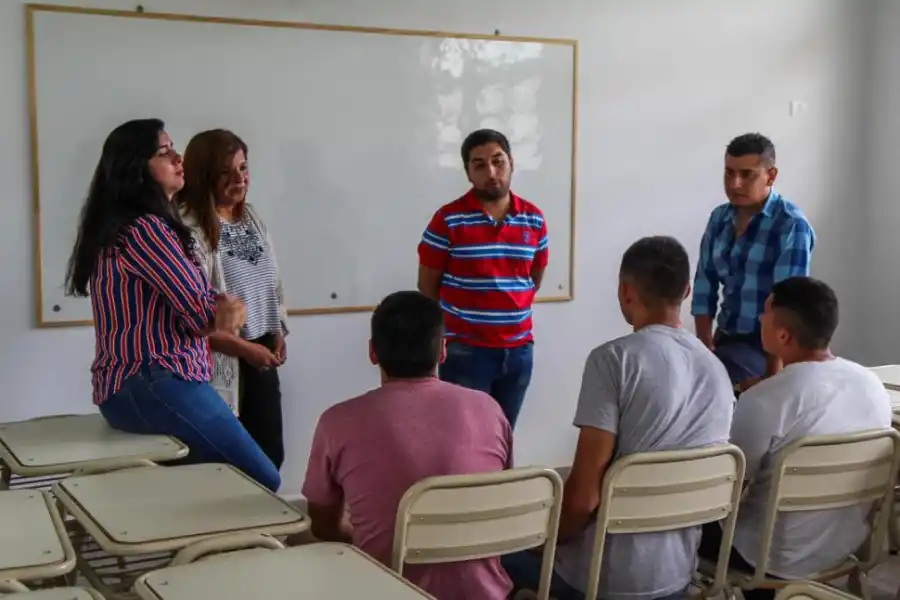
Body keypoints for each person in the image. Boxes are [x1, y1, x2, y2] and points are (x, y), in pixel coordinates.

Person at [503, 236, 734, 600]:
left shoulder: (613, 361)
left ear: (626, 291)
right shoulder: (717, 370)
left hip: (602, 579)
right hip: (677, 577)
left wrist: (540, 541)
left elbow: (582, 501)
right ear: (687, 291)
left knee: (496, 550)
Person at [65, 118, 280, 492]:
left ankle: (205, 547)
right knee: (262, 479)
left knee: (216, 482)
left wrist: (222, 308)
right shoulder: (148, 230)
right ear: (138, 168)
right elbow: (205, 317)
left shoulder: (128, 226)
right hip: (156, 381)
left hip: (138, 386)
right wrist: (227, 308)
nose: (179, 159)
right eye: (165, 152)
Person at [301, 291, 513, 600]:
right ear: (443, 351)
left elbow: (322, 525)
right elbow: (501, 500)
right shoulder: (489, 409)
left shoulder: (337, 421)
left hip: (385, 589)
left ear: (373, 352)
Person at [697, 277, 892, 598]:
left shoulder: (764, 399)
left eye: (765, 313)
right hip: (844, 545)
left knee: (681, 519)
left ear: (782, 334)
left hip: (768, 557)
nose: (759, 319)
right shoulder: (870, 384)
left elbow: (724, 487)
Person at [417, 128, 548, 429]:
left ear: (511, 163)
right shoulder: (448, 220)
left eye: (498, 161)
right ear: (468, 173)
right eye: (479, 165)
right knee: (466, 439)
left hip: (519, 351)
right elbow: (427, 287)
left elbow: (533, 280)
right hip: (466, 352)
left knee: (504, 435)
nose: (491, 172)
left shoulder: (534, 219)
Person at [177, 129, 289, 470]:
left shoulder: (251, 217)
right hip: (222, 360)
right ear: (204, 175)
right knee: (227, 463)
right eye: (226, 172)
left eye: (243, 168)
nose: (239, 179)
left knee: (269, 456)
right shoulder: (189, 227)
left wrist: (279, 330)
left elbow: (273, 282)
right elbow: (192, 312)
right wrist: (244, 350)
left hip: (261, 350)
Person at [691, 133, 815, 392]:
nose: (735, 184)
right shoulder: (719, 218)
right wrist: (703, 346)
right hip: (727, 338)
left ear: (770, 176)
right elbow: (705, 282)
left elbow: (788, 306)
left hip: (769, 347)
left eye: (747, 175)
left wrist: (773, 378)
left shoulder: (791, 225)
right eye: (729, 173)